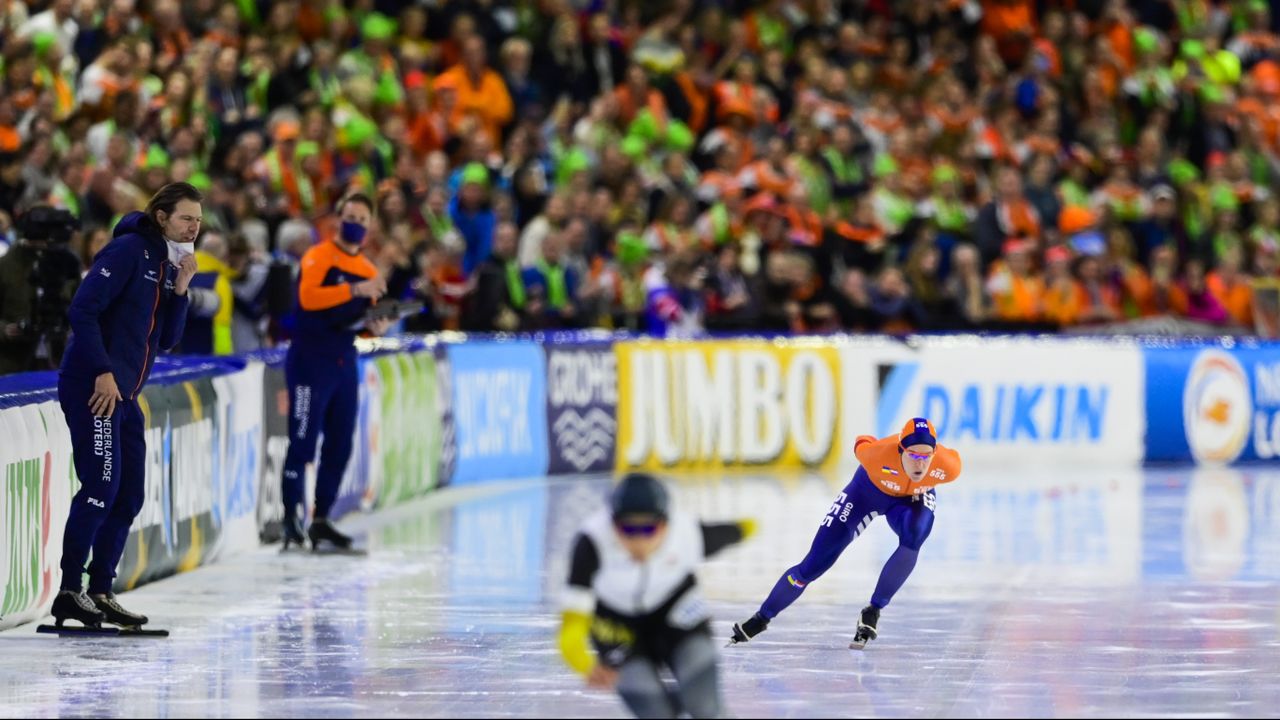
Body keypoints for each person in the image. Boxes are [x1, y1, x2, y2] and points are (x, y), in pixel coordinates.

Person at [51, 182, 202, 629]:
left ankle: (100, 589)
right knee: (100, 487)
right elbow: (82, 310)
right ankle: (69, 591)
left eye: (197, 219)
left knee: (129, 494)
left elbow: (170, 340)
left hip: (127, 396)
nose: (193, 227)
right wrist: (101, 370)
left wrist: (181, 290)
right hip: (94, 388)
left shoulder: (166, 262)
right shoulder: (128, 251)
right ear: (161, 217)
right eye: (185, 218)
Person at [729, 417, 962, 649]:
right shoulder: (877, 455)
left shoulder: (947, 467)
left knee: (915, 535)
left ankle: (873, 610)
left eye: (926, 457)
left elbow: (950, 459)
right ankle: (761, 618)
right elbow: (862, 443)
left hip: (911, 501)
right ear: (900, 450)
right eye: (913, 455)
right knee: (814, 563)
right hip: (867, 494)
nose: (920, 464)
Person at [559, 473, 756, 719]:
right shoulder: (591, 544)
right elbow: (572, 626)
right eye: (628, 528)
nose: (639, 540)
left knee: (705, 706)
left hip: (676, 614)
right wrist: (584, 665)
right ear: (612, 523)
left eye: (648, 528)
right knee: (655, 714)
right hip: (617, 627)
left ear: (665, 524)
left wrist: (758, 523)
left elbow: (734, 531)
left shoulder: (686, 535)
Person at [280, 193, 391, 551]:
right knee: (303, 442)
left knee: (340, 443)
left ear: (370, 226)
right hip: (310, 359)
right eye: (350, 216)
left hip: (345, 360)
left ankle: (321, 518)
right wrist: (356, 289)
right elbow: (309, 299)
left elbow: (362, 319)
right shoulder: (319, 257)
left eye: (362, 219)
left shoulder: (370, 269)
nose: (355, 224)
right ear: (338, 219)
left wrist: (378, 325)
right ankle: (290, 518)